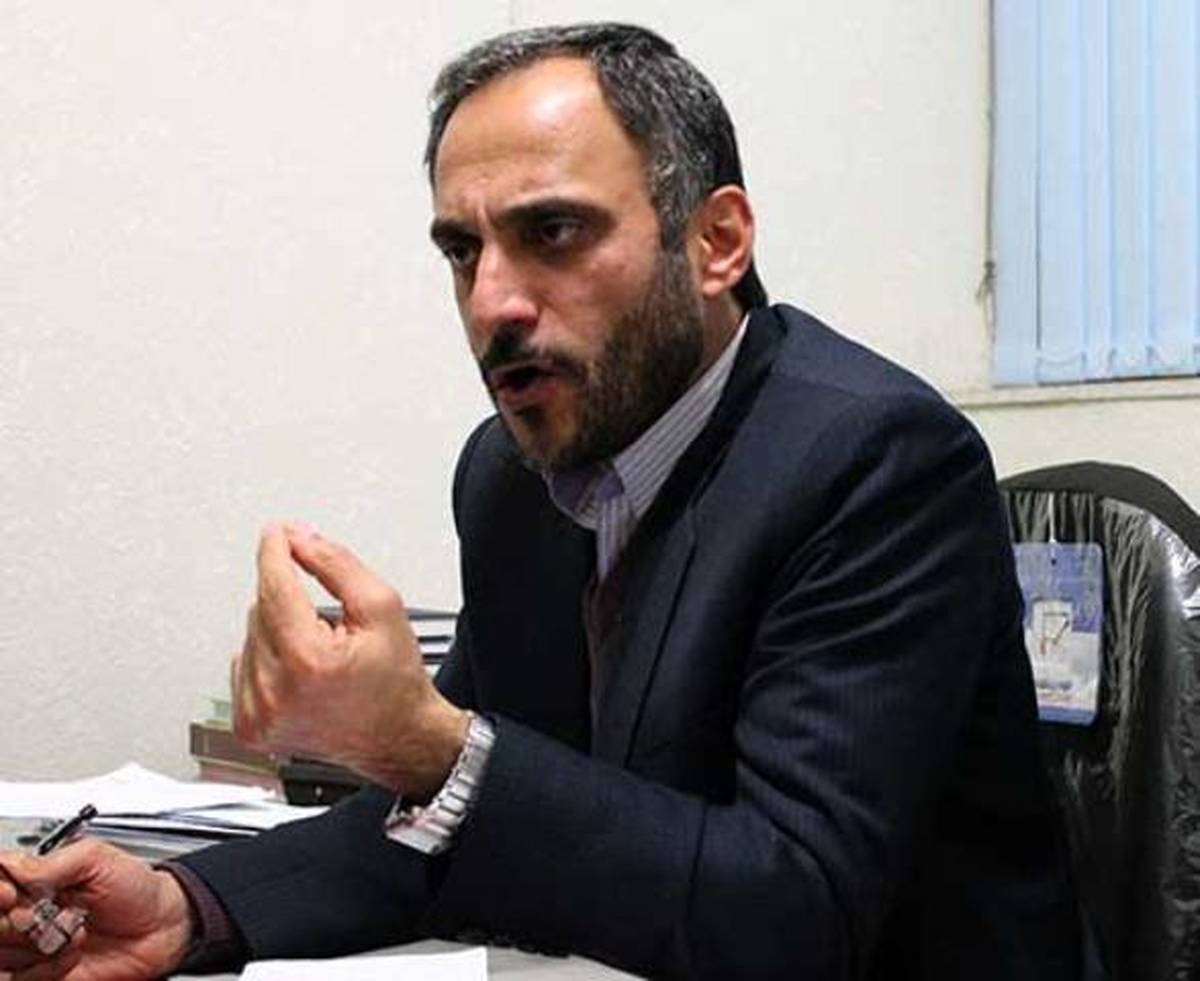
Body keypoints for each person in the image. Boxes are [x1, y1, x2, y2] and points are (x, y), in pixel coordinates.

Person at [0, 22, 1080, 980]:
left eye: (552, 233)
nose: (492, 303)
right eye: (462, 250)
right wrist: (189, 907)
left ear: (716, 242)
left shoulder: (873, 462)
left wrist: (434, 746)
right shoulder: (508, 477)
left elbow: (797, 913)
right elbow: (447, 827)